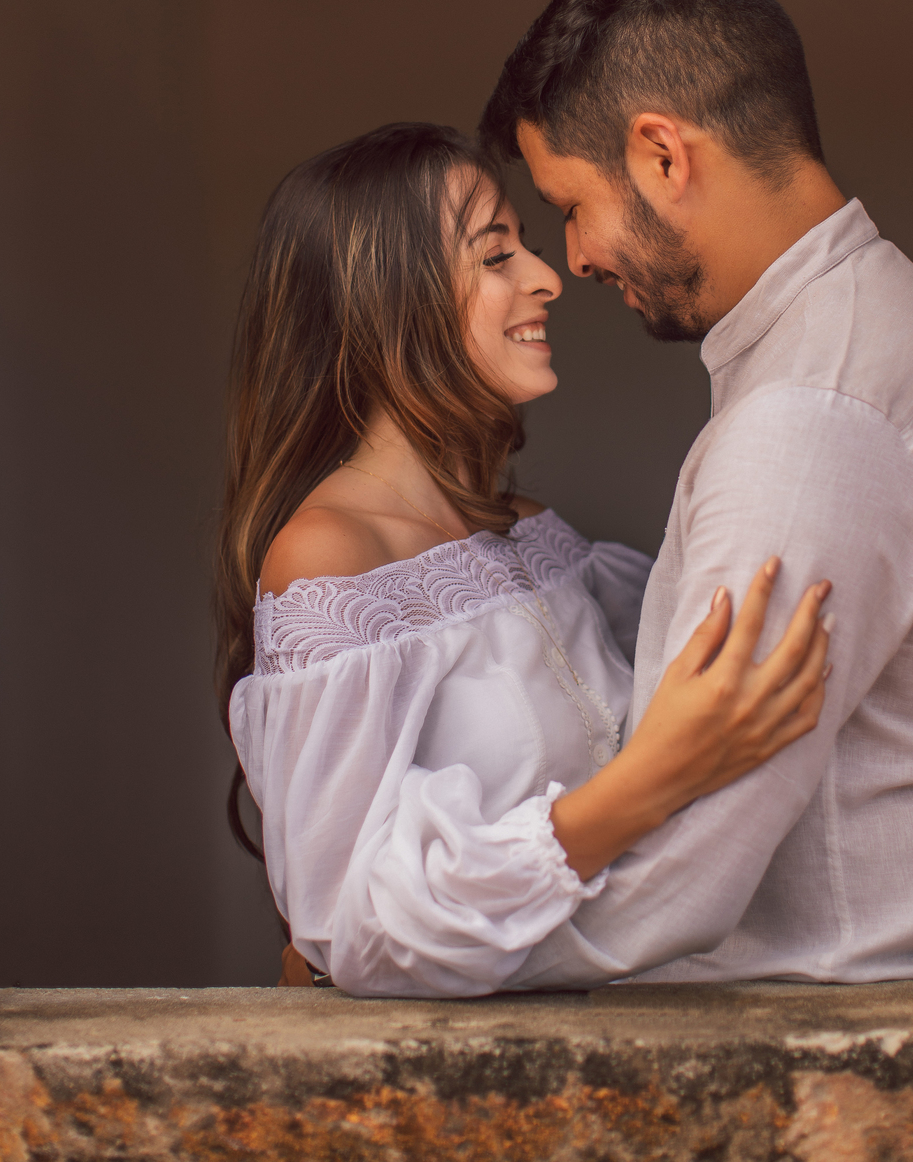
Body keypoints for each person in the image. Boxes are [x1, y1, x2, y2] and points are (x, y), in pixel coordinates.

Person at [478, 0, 913, 987]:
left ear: (664, 155)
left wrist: (405, 934)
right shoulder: (861, 336)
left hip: (849, 1073)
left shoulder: (811, 418)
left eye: (571, 206)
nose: (570, 258)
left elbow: (673, 878)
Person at [217, 121, 832, 996]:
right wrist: (647, 785)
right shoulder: (330, 558)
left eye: (527, 249)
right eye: (495, 256)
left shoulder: (536, 538)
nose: (548, 278)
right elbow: (346, 924)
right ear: (387, 299)